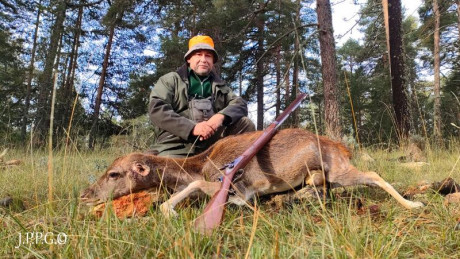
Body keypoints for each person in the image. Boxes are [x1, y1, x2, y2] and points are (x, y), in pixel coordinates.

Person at [148, 35, 255, 157]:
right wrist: (192, 128)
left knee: (245, 123)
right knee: (174, 172)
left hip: (211, 143)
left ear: (213, 61)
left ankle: (236, 165)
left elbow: (240, 104)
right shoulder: (170, 80)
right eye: (198, 54)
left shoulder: (220, 85)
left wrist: (220, 117)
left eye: (208, 56)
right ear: (189, 59)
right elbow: (157, 110)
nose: (203, 59)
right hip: (176, 143)